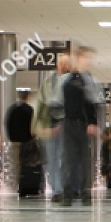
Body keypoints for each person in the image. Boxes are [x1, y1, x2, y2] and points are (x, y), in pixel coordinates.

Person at [61, 46, 101, 205]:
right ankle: (68, 194)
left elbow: (92, 103)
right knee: (69, 161)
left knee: (86, 161)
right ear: (78, 58)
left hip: (84, 125)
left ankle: (86, 194)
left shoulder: (89, 80)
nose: (88, 62)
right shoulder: (68, 80)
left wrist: (92, 122)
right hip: (69, 124)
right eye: (86, 58)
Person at [34, 53, 70, 199]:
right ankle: (57, 190)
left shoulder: (73, 81)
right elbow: (40, 104)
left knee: (64, 156)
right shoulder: (48, 82)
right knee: (51, 158)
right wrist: (37, 126)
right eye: (61, 63)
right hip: (49, 123)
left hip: (66, 123)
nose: (63, 66)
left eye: (66, 63)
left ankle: (63, 187)